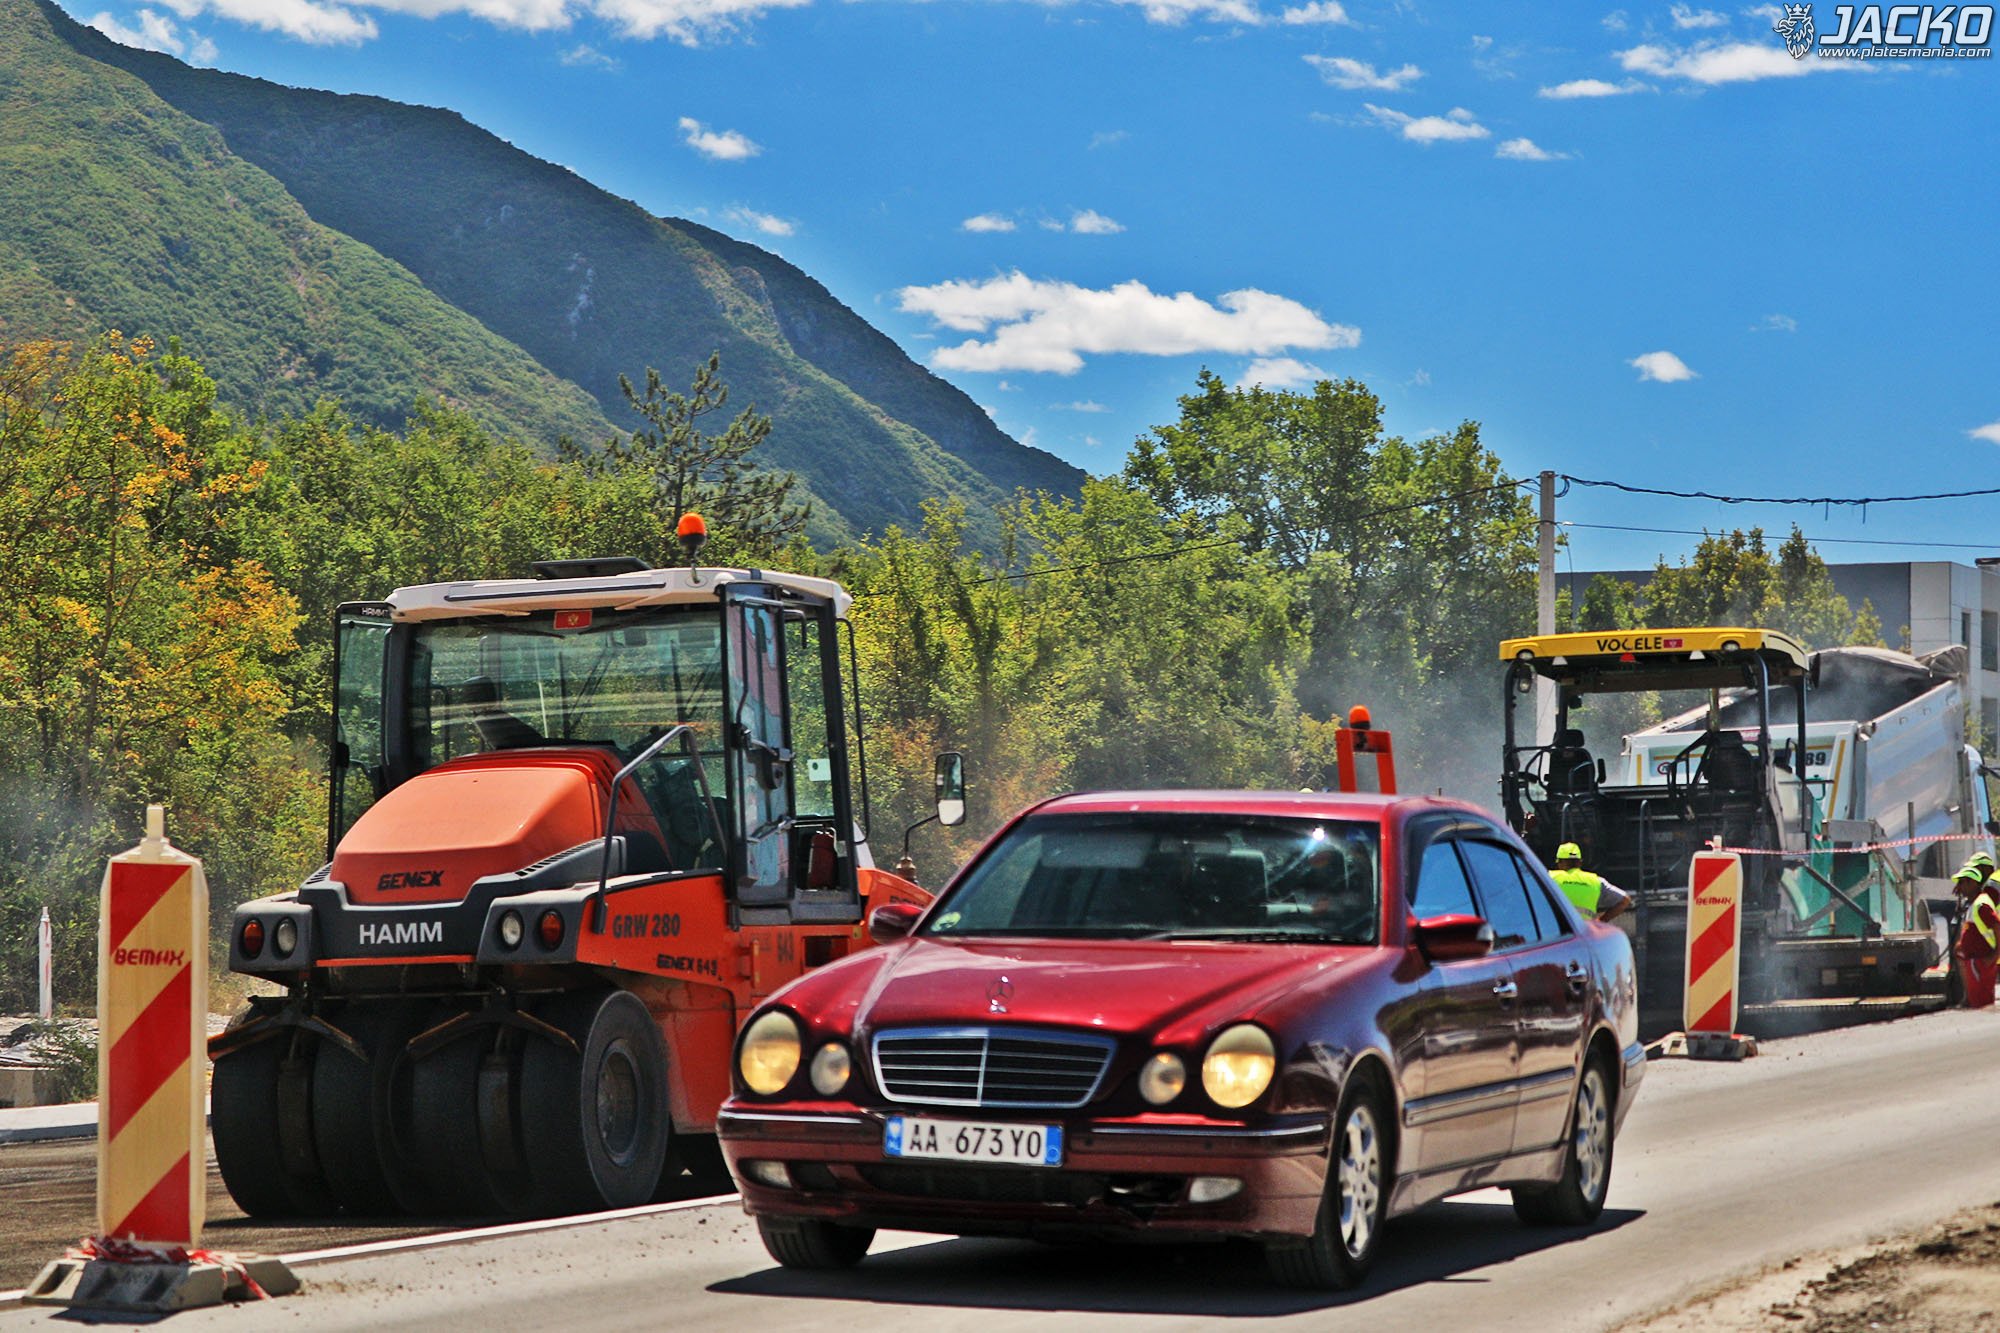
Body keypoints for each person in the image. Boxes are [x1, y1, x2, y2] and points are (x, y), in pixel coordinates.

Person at [1952, 855, 2000, 1010]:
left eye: (1965, 881)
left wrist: (1995, 953)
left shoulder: (1990, 887)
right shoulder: (1979, 897)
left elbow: (1991, 920)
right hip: (1981, 954)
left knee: (1983, 1002)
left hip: (1988, 951)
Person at [1550, 841, 1633, 922]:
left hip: (1557, 930)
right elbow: (1625, 900)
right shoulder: (1596, 881)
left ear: (1559, 862)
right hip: (1585, 931)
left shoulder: (1550, 878)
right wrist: (1601, 921)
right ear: (1580, 862)